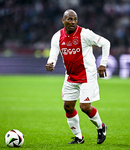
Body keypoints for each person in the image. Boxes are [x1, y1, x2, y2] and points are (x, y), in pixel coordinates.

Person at [46, 9, 110, 144]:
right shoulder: (57, 37)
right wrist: (50, 63)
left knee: (85, 107)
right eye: (69, 19)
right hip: (70, 76)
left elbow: (105, 43)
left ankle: (101, 127)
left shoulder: (85, 34)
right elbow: (53, 55)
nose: (73, 22)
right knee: (68, 107)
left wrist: (103, 64)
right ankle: (79, 137)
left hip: (87, 75)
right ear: (63, 21)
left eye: (75, 19)